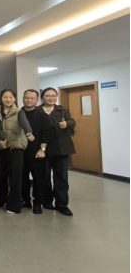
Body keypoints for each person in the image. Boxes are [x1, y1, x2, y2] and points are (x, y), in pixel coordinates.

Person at [0, 89, 34, 215]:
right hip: (1, 148)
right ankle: (1, 200)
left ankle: (14, 206)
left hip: (16, 148)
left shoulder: (19, 112)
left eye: (11, 97)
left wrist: (29, 133)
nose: (8, 99)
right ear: (1, 98)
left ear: (15, 99)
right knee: (1, 176)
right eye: (5, 97)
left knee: (15, 177)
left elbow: (25, 124)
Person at [40, 88, 77, 217]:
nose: (51, 98)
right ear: (42, 97)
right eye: (48, 96)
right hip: (43, 149)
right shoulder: (38, 110)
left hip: (61, 148)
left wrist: (67, 124)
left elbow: (72, 121)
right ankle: (47, 201)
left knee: (61, 177)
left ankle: (62, 204)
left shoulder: (62, 111)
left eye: (53, 96)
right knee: (44, 176)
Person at [22, 89, 55, 215]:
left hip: (36, 152)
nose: (29, 100)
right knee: (22, 178)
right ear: (23, 98)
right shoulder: (19, 113)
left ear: (37, 100)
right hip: (21, 152)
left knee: (38, 178)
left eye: (32, 98)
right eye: (26, 98)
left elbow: (47, 133)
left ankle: (37, 202)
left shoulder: (42, 114)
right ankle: (25, 200)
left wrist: (42, 149)